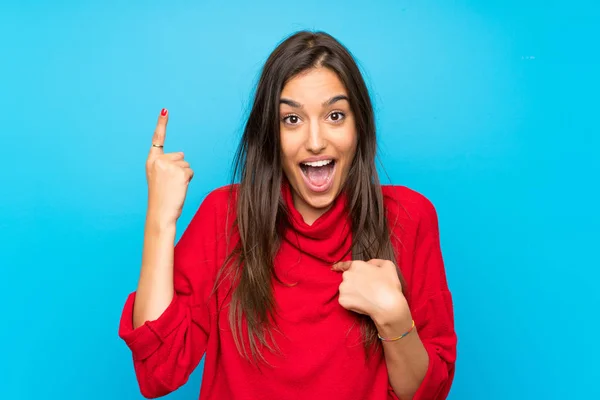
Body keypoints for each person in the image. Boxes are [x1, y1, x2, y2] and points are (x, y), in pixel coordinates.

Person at [118, 30, 457, 400]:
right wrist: (160, 220)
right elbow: (158, 371)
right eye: (292, 120)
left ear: (359, 125)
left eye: (335, 115)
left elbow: (427, 393)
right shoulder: (226, 216)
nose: (315, 141)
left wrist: (393, 317)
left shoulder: (408, 217)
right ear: (270, 133)